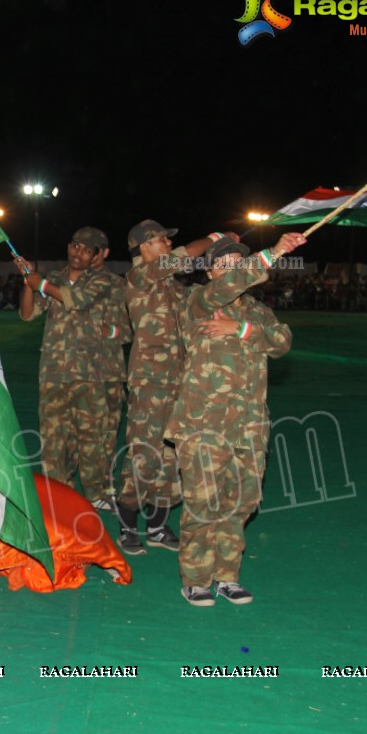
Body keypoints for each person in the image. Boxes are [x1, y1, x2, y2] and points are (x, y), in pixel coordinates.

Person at [166, 233, 303, 606]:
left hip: (249, 426)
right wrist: (273, 253)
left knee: (241, 502)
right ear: (209, 272)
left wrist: (239, 330)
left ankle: (227, 576)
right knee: (202, 503)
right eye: (223, 265)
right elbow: (223, 292)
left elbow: (282, 341)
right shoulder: (196, 302)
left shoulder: (257, 312)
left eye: (238, 264)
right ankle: (195, 578)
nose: (231, 270)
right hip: (202, 426)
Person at [116, 220, 221, 555]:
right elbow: (183, 256)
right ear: (144, 246)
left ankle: (158, 526)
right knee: (143, 455)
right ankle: (127, 526)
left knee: (171, 458)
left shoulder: (175, 288)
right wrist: (215, 236)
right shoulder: (138, 278)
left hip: (180, 383)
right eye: (162, 238)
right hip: (150, 384)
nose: (166, 243)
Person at [15, 227, 116, 508]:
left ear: (96, 255)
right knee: (52, 438)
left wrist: (42, 284)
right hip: (53, 373)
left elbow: (76, 301)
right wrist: (28, 281)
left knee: (90, 437)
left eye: (86, 250)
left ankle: (96, 493)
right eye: (75, 246)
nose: (78, 253)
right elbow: (28, 314)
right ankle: (57, 492)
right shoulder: (55, 278)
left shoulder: (101, 281)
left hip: (88, 372)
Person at [89, 238, 132, 511]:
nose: (85, 253)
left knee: (106, 433)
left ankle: (102, 490)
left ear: (104, 252)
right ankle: (62, 493)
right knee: (67, 436)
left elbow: (129, 330)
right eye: (79, 247)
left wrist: (110, 332)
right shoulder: (64, 284)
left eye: (91, 247)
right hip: (70, 373)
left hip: (108, 373)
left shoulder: (118, 286)